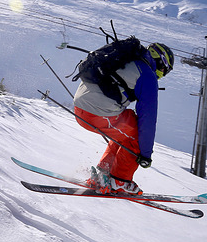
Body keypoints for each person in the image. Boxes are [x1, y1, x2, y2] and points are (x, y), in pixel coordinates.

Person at [73, 42, 174, 195]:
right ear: (160, 61)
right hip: (96, 114)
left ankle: (103, 173)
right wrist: (145, 154)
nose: (162, 74)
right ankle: (120, 180)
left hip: (80, 108)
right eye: (164, 70)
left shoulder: (126, 59)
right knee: (137, 134)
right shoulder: (147, 75)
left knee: (128, 126)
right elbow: (148, 119)